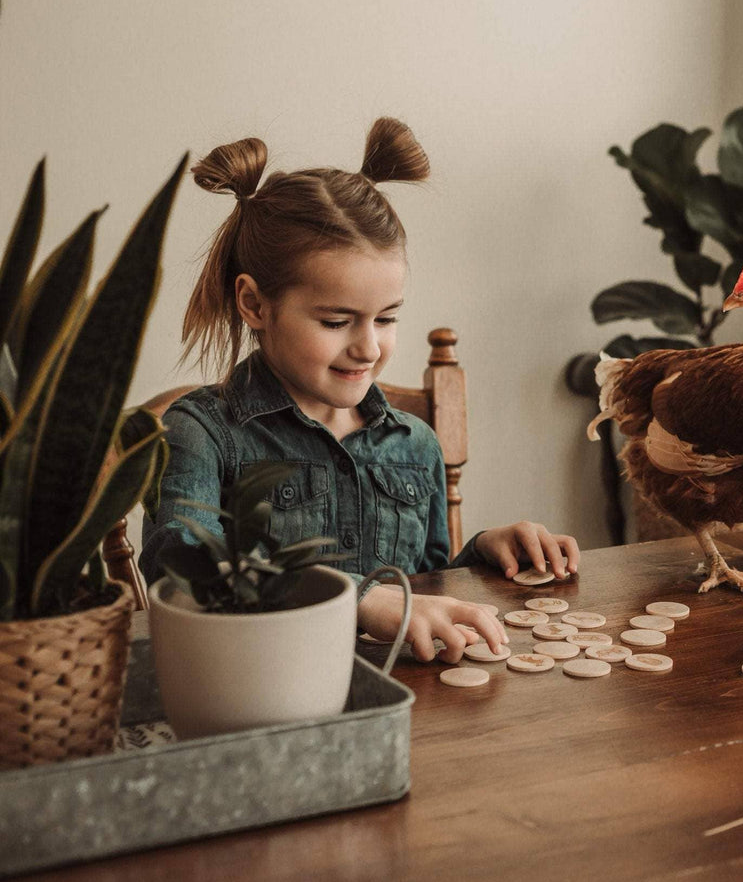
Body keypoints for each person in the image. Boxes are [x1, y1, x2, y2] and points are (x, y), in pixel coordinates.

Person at [139, 117, 579, 663]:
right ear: (254, 304)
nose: (369, 347)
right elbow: (181, 571)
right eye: (336, 321)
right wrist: (357, 600)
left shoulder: (415, 443)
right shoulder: (200, 434)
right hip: (264, 698)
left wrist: (485, 553)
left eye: (387, 318)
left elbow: (421, 586)